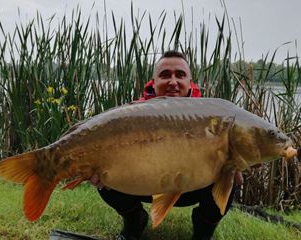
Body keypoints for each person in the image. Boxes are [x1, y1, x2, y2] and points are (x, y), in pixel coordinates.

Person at [90, 50, 242, 240]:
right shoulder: (134, 114)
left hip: (193, 187)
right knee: (105, 183)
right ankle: (134, 221)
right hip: (144, 184)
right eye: (164, 75)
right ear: (153, 82)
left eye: (180, 75)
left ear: (189, 82)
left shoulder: (211, 117)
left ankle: (203, 233)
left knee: (230, 180)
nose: (172, 82)